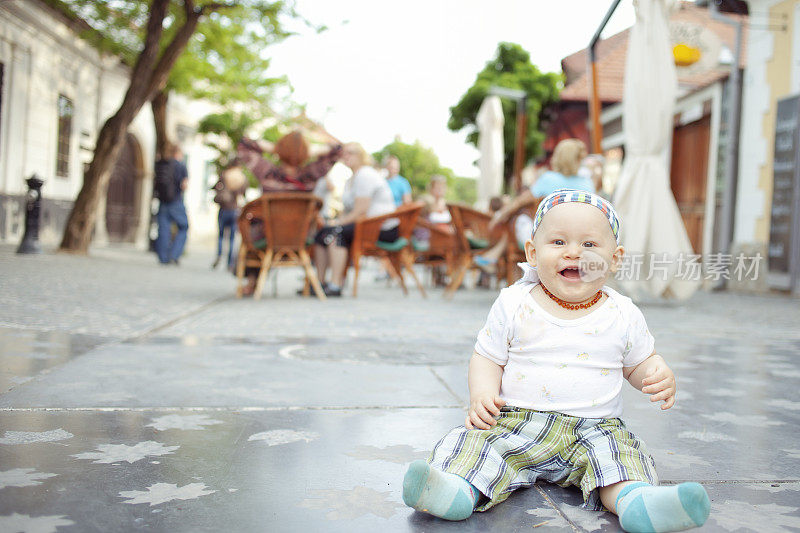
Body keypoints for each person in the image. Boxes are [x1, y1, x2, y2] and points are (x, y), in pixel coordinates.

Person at [402, 189, 711, 533]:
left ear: (615, 258)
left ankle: (636, 502)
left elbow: (638, 363)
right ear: (533, 252)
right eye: (559, 242)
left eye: (590, 245)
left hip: (595, 428)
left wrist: (656, 374)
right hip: (514, 423)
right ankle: (456, 491)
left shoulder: (623, 313)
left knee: (618, 456)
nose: (574, 252)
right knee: (475, 442)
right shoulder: (514, 302)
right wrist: (482, 394)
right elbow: (487, 357)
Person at [235, 131, 342, 295]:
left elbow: (243, 145)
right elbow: (337, 150)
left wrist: (275, 148)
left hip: (267, 237)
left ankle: (252, 281)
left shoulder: (267, 172)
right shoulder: (310, 175)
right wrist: (309, 151)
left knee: (250, 227)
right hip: (301, 237)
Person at [475, 138, 595, 271]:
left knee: (516, 221)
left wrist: (500, 215)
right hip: (579, 240)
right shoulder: (587, 185)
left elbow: (519, 201)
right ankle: (493, 256)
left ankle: (495, 257)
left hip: (548, 237)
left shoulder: (548, 179)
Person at [313, 143, 398, 297]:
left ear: (361, 155)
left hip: (381, 228)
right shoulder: (351, 179)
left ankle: (335, 284)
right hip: (364, 225)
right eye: (344, 153)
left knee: (335, 233)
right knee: (322, 234)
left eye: (350, 153)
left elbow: (360, 210)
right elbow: (348, 211)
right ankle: (319, 283)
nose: (345, 156)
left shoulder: (365, 174)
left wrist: (337, 223)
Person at [155, 144, 189, 265]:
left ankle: (163, 257)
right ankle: (174, 254)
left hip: (163, 201)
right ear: (179, 153)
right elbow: (184, 185)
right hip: (176, 201)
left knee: (163, 229)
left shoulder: (162, 164)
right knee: (184, 227)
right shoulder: (181, 166)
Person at [211, 165, 247, 270]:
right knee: (232, 238)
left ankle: (219, 256)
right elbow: (243, 193)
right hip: (235, 209)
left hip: (223, 209)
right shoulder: (241, 178)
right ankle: (230, 263)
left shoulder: (224, 175)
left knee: (221, 236)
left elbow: (215, 187)